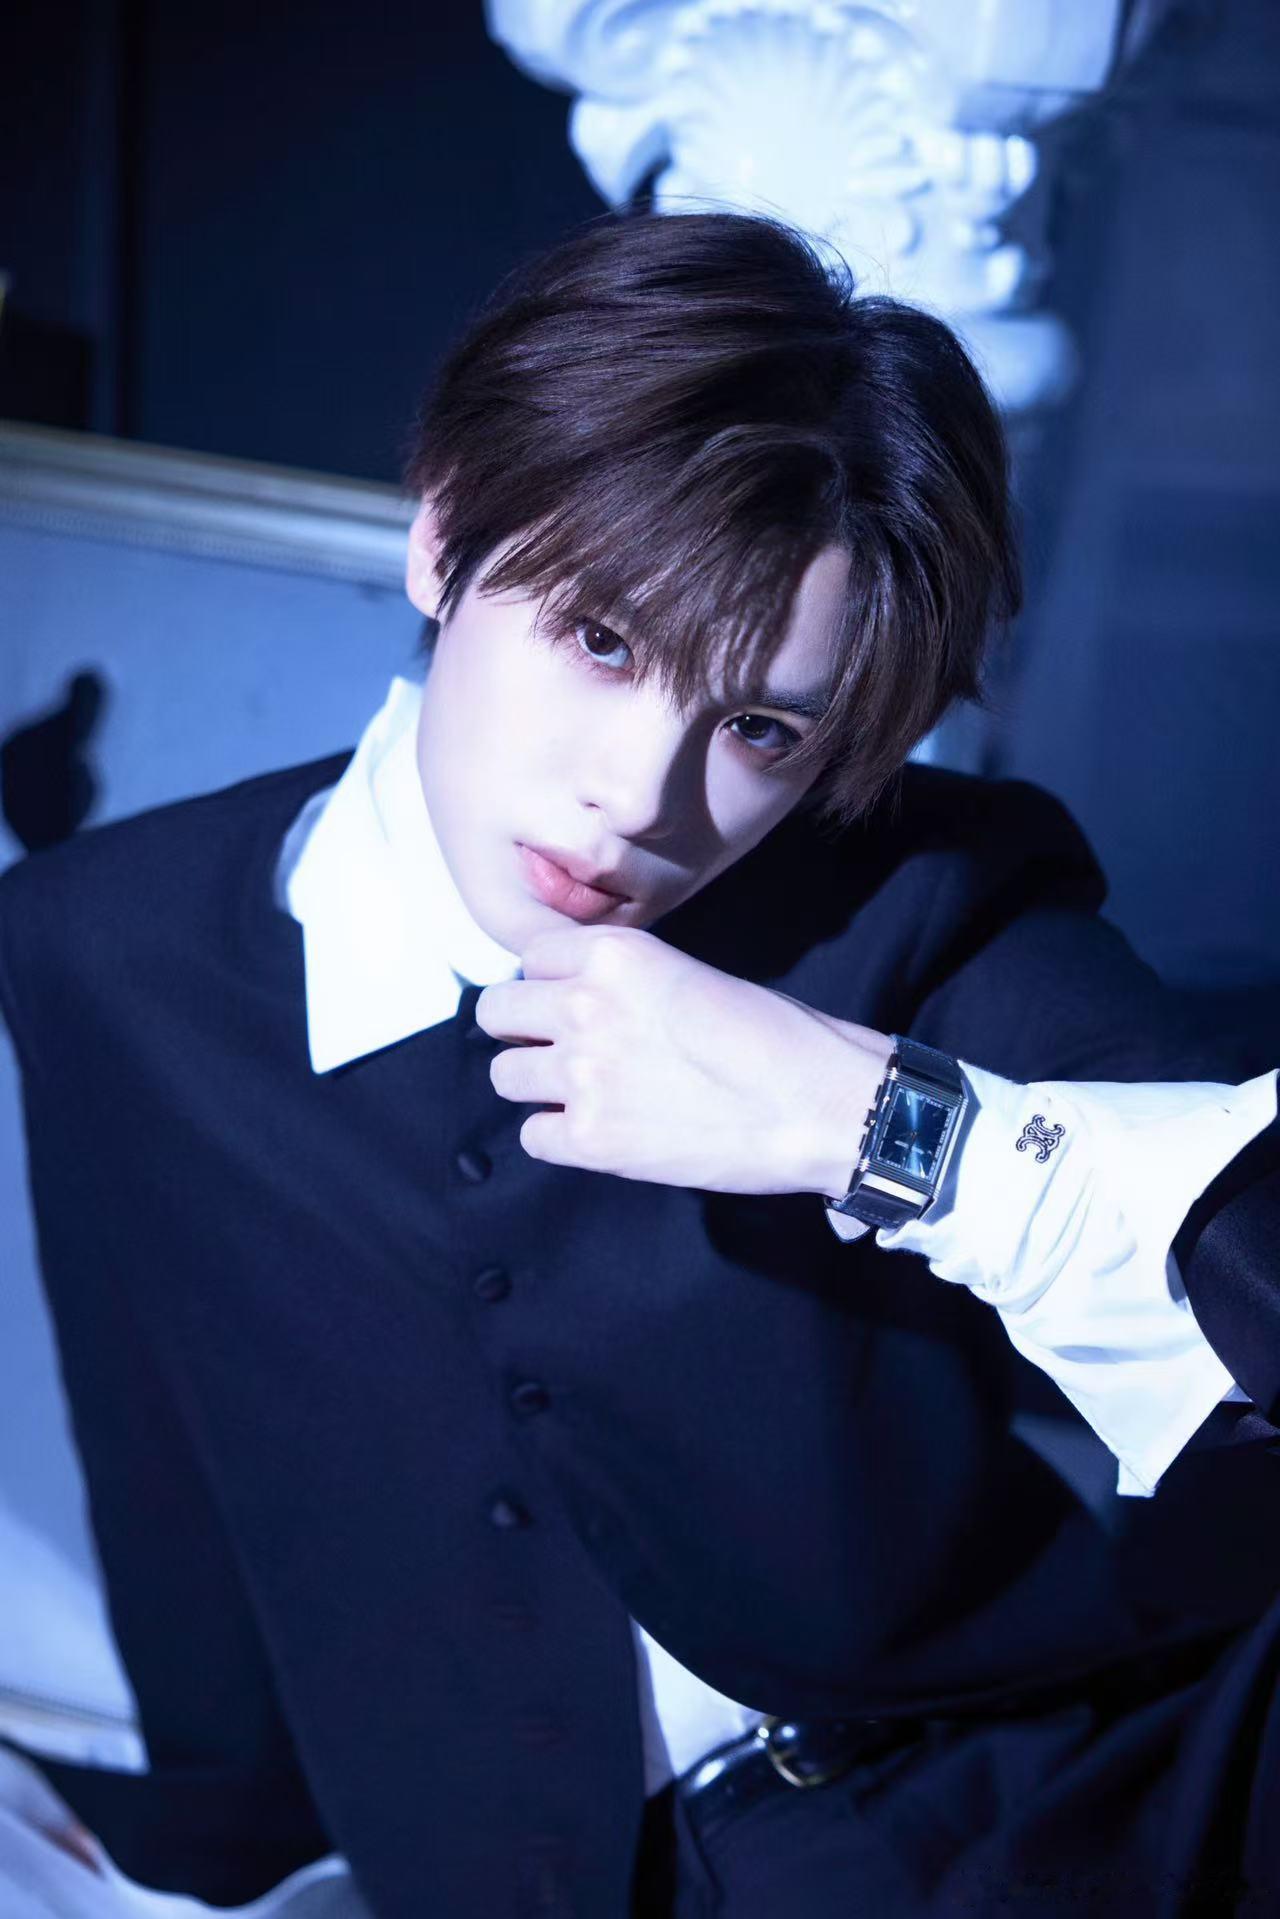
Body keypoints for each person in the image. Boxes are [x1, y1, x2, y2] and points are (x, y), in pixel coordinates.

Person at [0, 209, 1277, 1919]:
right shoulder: (105, 950)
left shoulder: (929, 900)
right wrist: (220, 1858)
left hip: (1041, 1825)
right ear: (443, 532)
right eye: (604, 640)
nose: (642, 799)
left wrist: (868, 1122)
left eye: (758, 729)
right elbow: (175, 1495)